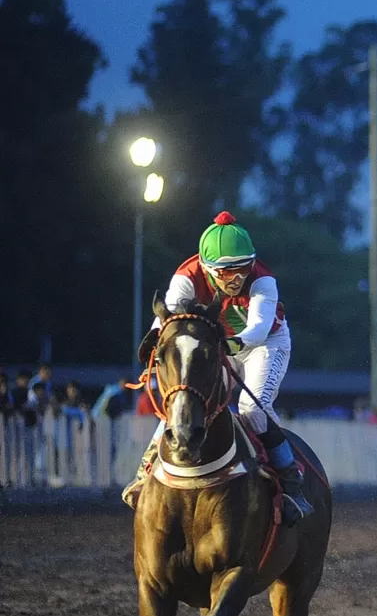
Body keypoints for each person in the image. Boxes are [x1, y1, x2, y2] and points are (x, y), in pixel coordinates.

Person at [123, 211, 311, 523]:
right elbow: (167, 319)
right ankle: (145, 472)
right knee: (187, 397)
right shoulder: (186, 277)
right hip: (220, 345)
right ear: (208, 268)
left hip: (266, 344)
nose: (238, 279)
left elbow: (258, 330)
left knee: (252, 407)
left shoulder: (263, 280)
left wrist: (225, 345)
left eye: (243, 268)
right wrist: (153, 339)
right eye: (227, 272)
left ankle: (290, 479)